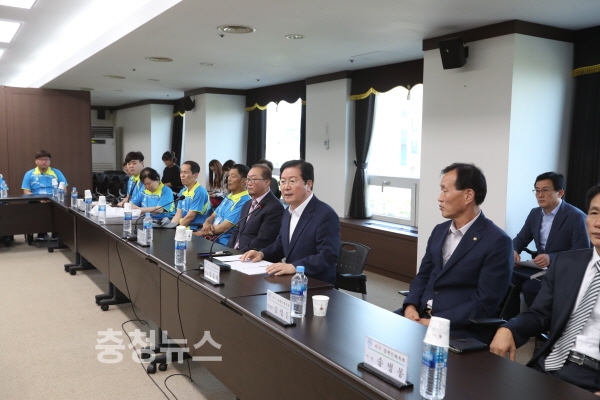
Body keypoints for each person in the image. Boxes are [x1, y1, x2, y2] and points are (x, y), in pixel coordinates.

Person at [490, 185, 600, 395]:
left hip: (593, 378)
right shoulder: (568, 263)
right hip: (550, 364)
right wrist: (509, 329)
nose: (598, 223)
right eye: (594, 213)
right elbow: (540, 314)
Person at [396, 162, 513, 342]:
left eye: (445, 191)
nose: (439, 198)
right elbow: (423, 276)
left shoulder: (497, 242)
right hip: (420, 315)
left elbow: (484, 303)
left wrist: (435, 323)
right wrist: (410, 306)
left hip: (459, 327)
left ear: (468, 195)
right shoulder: (439, 230)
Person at [240, 160, 340, 285]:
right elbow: (281, 244)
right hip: (291, 280)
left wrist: (294, 267)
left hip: (316, 283)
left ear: (308, 184)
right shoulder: (288, 211)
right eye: (282, 181)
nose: (286, 187)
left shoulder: (325, 214)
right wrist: (262, 253)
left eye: (292, 181)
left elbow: (328, 255)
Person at [512, 172, 589, 307]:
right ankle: (509, 319)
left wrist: (551, 258)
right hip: (539, 268)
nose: (540, 195)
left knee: (530, 287)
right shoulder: (535, 214)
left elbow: (581, 252)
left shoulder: (576, 217)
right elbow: (520, 239)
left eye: (545, 190)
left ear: (560, 193)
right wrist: (513, 251)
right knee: (507, 278)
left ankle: (538, 320)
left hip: (562, 271)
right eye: (537, 191)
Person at [228, 164, 284, 252]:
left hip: (251, 255)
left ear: (266, 182)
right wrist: (228, 250)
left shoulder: (275, 207)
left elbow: (263, 240)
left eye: (253, 179)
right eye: (248, 179)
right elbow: (237, 231)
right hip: (234, 253)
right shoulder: (247, 204)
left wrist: (239, 255)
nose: (248, 183)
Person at [196, 164, 251, 246]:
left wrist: (199, 233)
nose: (229, 179)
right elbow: (213, 215)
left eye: (233, 176)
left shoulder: (245, 201)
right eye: (228, 176)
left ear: (244, 181)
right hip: (210, 236)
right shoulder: (229, 196)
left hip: (222, 242)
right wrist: (207, 223)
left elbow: (224, 227)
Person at [22, 150, 68, 241]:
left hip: (54, 199)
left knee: (60, 208)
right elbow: (26, 191)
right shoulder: (29, 174)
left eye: (47, 159)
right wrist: (39, 199)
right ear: (36, 161)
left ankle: (56, 234)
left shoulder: (56, 172)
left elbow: (64, 189)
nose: (44, 162)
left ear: (49, 161)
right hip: (36, 200)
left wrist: (55, 198)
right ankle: (42, 234)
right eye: (41, 159)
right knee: (37, 207)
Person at [170, 161, 210, 230]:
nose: (182, 175)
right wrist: (170, 228)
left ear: (195, 175)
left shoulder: (200, 192)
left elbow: (190, 217)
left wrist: (177, 231)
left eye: (185, 172)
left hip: (196, 229)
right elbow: (178, 214)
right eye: (181, 172)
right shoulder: (182, 191)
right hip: (184, 227)